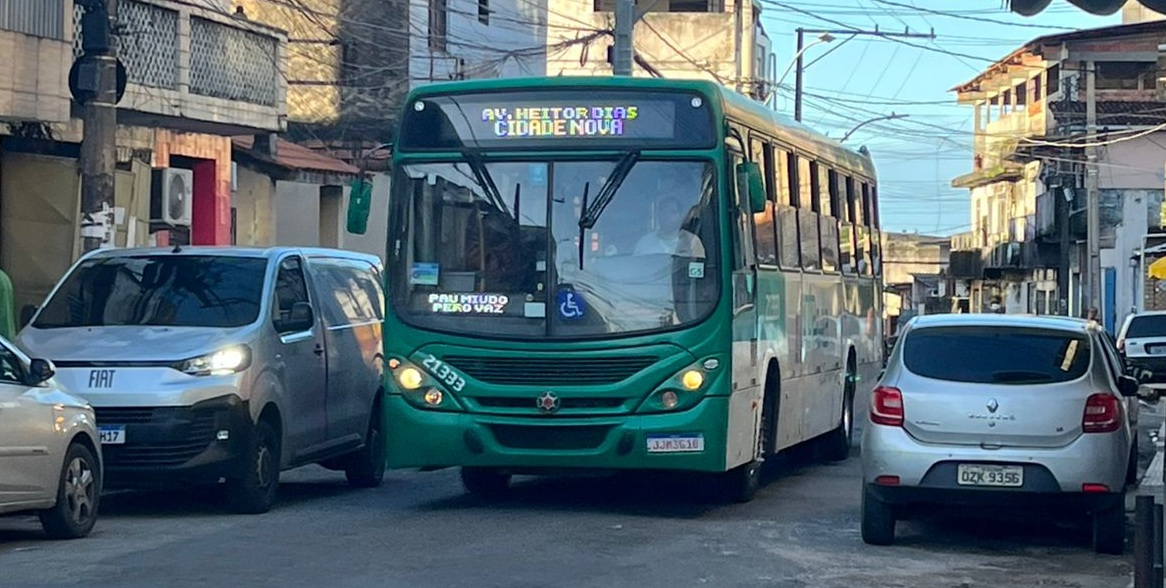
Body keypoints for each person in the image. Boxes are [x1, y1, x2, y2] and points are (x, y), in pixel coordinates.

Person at [634, 197, 705, 258]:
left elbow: (699, 266)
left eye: (673, 212)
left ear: (680, 216)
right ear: (658, 215)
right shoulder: (644, 243)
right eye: (664, 212)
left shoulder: (692, 241)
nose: (667, 216)